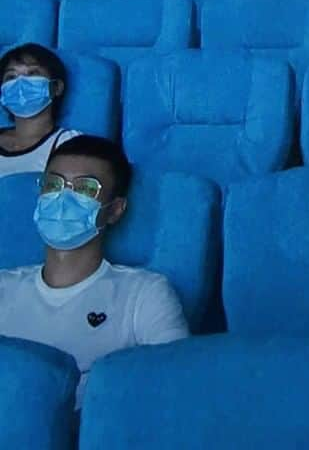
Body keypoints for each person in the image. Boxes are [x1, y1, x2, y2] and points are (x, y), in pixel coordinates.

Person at [0, 135, 189, 407]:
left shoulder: (145, 294)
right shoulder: (4, 287)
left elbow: (175, 389)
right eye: (53, 185)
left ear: (115, 210)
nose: (63, 199)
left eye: (85, 190)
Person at [0, 45, 79, 176]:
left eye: (32, 73)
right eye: (11, 77)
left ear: (56, 87)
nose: (20, 83)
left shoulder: (71, 142)